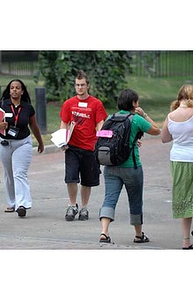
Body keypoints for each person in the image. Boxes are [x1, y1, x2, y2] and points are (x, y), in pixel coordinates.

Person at [98, 89, 160, 244]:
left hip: (111, 165)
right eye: (137, 101)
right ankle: (138, 235)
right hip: (131, 166)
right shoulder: (136, 119)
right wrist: (144, 114)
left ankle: (104, 232)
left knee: (109, 198)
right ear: (133, 103)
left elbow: (104, 138)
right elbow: (156, 131)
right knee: (135, 200)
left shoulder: (110, 118)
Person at [0, 79, 44, 217]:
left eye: (17, 88)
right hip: (4, 143)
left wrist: (40, 142)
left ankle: (22, 204)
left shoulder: (28, 108)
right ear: (9, 90)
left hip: (22, 143)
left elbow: (34, 126)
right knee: (9, 174)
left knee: (19, 173)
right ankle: (12, 202)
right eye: (12, 88)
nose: (14, 90)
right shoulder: (1, 106)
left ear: (22, 91)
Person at [60, 70, 107, 221]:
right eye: (77, 85)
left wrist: (100, 140)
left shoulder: (96, 104)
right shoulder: (69, 103)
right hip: (72, 147)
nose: (80, 88)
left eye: (82, 85)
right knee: (71, 177)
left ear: (88, 86)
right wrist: (63, 139)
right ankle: (72, 205)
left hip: (90, 147)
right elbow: (64, 123)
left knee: (87, 180)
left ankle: (84, 207)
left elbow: (100, 124)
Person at [161, 84, 193, 249]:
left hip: (178, 158)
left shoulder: (170, 116)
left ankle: (186, 240)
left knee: (184, 197)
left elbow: (165, 138)